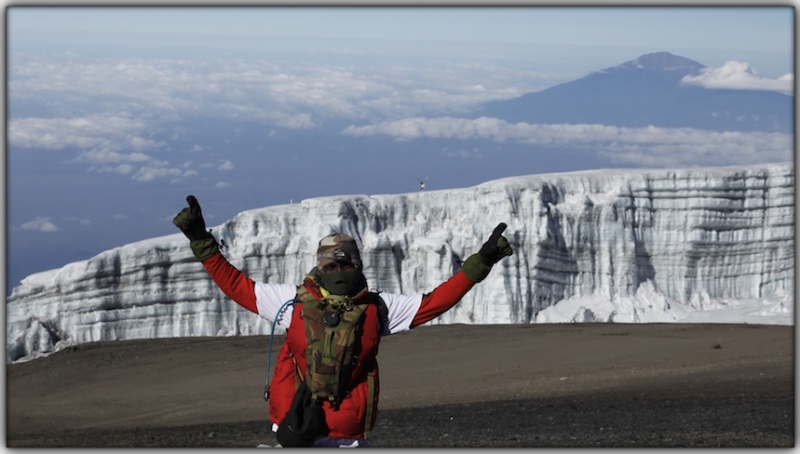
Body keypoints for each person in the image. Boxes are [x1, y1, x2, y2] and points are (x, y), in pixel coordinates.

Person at [173, 195, 513, 447]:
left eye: (344, 264)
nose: (339, 271)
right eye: (333, 265)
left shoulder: (291, 301)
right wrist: (479, 264)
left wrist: (202, 242)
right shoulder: (378, 308)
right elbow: (436, 302)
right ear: (322, 267)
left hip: (294, 425)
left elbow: (236, 286)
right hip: (344, 435)